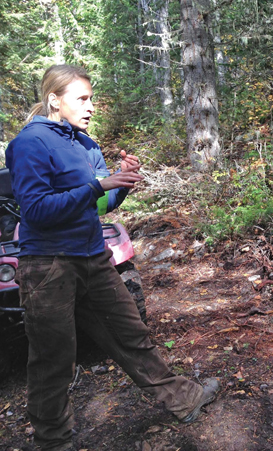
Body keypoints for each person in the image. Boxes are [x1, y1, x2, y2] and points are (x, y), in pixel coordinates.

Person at [6, 65, 220, 451]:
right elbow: (36, 210)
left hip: (93, 257)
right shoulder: (30, 143)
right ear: (54, 100)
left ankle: (184, 400)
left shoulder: (85, 144)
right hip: (49, 266)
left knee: (131, 335)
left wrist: (120, 182)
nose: (91, 107)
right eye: (82, 99)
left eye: (92, 99)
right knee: (53, 358)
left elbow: (100, 204)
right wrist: (97, 185)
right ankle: (53, 441)